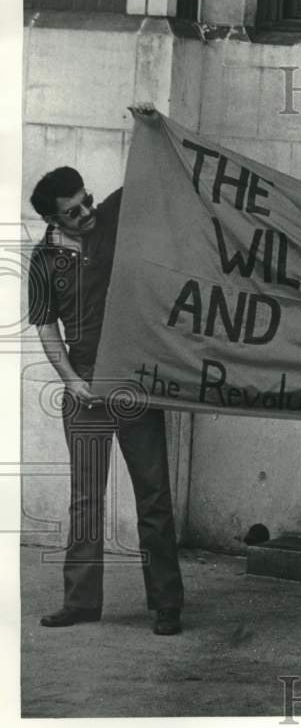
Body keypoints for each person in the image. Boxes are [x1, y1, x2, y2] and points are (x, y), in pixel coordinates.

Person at [28, 157, 185, 636]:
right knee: (86, 499)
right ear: (53, 220)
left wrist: (148, 120)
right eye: (73, 213)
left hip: (133, 379)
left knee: (153, 494)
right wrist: (71, 380)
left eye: (87, 202)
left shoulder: (109, 218)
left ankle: (166, 604)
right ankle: (80, 602)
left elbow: (150, 168)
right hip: (84, 385)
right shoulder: (42, 261)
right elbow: (45, 325)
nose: (87, 214)